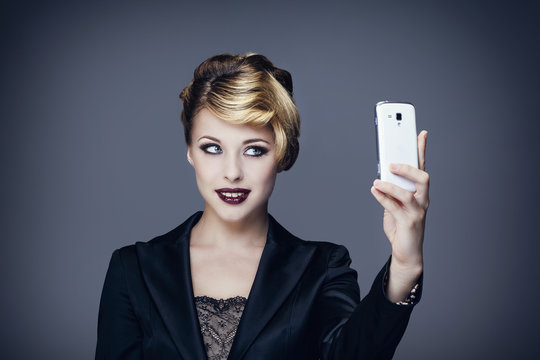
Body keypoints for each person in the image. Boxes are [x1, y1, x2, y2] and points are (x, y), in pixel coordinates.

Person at [95, 53, 429, 359]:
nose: (232, 172)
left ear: (281, 155)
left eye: (254, 150)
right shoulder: (133, 269)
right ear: (189, 152)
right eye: (212, 148)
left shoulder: (322, 267)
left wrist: (404, 265)